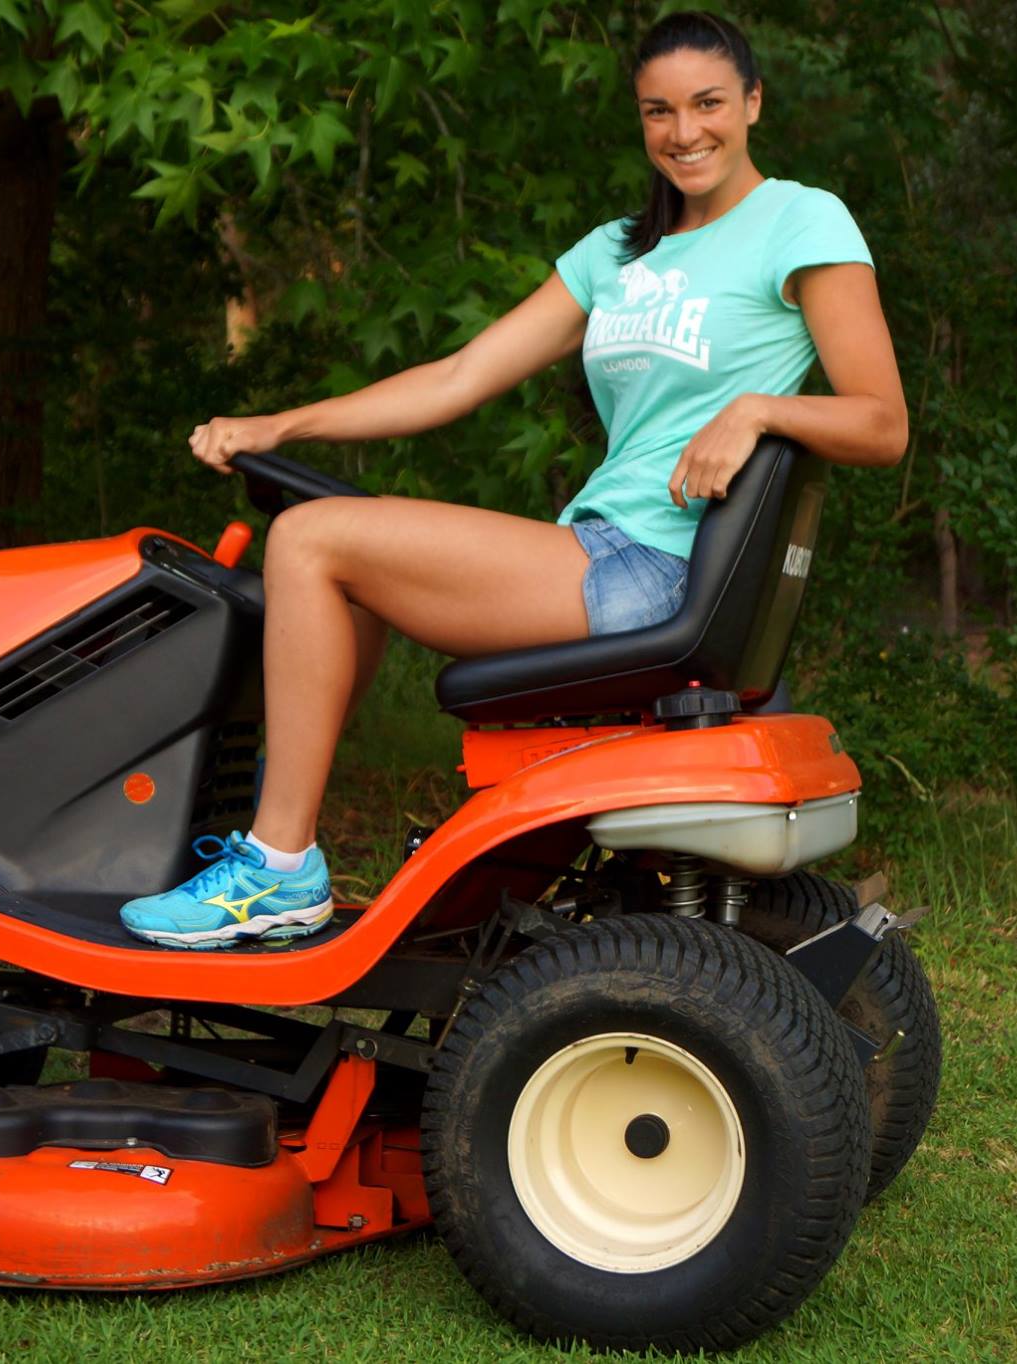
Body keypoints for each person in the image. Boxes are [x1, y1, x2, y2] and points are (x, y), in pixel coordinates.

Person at [118, 11, 907, 949]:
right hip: (601, 548)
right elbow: (458, 377)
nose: (685, 132)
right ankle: (277, 845)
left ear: (753, 103)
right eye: (658, 111)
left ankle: (276, 868)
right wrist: (280, 424)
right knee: (337, 555)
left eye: (708, 104)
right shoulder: (617, 251)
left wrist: (757, 411)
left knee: (310, 538)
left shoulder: (799, 220)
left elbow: (881, 422)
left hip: (659, 566)